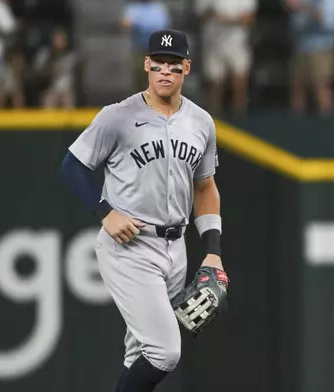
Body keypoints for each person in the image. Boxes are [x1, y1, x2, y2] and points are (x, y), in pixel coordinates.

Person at [60, 29, 225, 392]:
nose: (165, 70)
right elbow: (72, 165)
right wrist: (105, 212)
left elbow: (204, 187)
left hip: (176, 245)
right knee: (165, 352)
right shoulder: (117, 116)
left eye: (173, 64)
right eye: (159, 63)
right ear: (147, 64)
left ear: (187, 68)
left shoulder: (201, 122)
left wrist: (212, 252)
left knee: (139, 356)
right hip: (130, 245)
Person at [196, 0, 257, 115]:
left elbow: (250, 17)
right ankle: (214, 119)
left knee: (239, 82)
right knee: (215, 84)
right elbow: (200, 15)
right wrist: (213, 14)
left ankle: (240, 118)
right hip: (213, 44)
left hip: (237, 43)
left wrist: (228, 19)